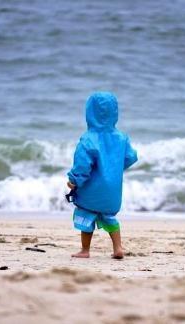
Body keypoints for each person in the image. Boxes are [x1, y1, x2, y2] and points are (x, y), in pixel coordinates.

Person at [67, 92, 138, 259]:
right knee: (110, 218)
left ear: (89, 113)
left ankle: (85, 250)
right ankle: (118, 248)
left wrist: (74, 181)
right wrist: (114, 169)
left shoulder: (88, 139)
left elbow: (82, 165)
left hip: (91, 190)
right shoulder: (121, 137)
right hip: (112, 191)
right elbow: (130, 157)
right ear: (115, 112)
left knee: (85, 216)